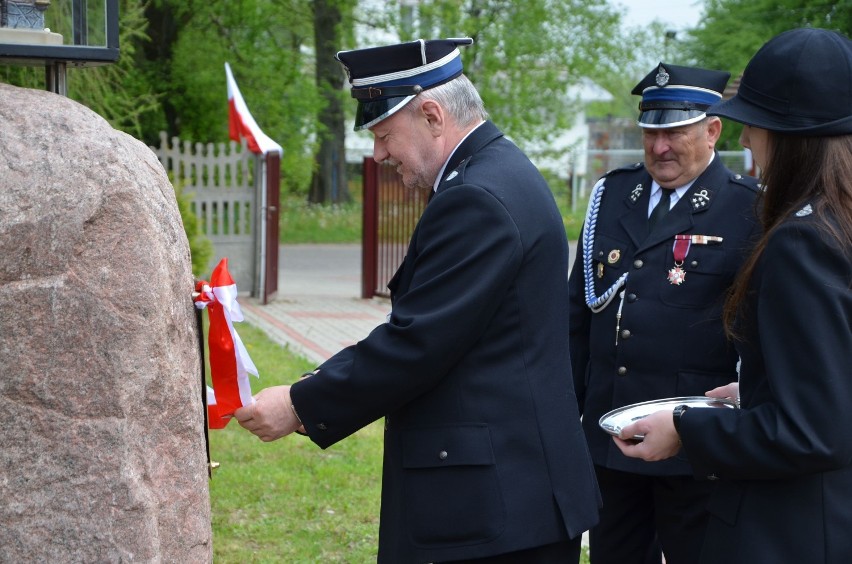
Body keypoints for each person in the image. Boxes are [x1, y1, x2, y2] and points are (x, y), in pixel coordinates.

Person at [234, 37, 600, 563]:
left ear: (432, 114)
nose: (379, 154)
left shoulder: (476, 197)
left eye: (384, 134)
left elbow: (416, 342)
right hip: (510, 496)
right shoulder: (494, 173)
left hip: (495, 509)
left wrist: (298, 405)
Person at [614, 27, 852, 564]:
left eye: (754, 126)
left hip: (790, 530)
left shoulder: (802, 242)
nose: (744, 141)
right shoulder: (840, 225)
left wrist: (685, 429)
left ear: (792, 136)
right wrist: (758, 392)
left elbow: (813, 432)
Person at [567, 62, 761, 564]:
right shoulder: (612, 195)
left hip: (692, 450)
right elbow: (577, 315)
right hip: (611, 437)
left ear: (713, 129)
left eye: (674, 132)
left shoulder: (746, 209)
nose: (658, 148)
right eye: (651, 133)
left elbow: (758, 335)